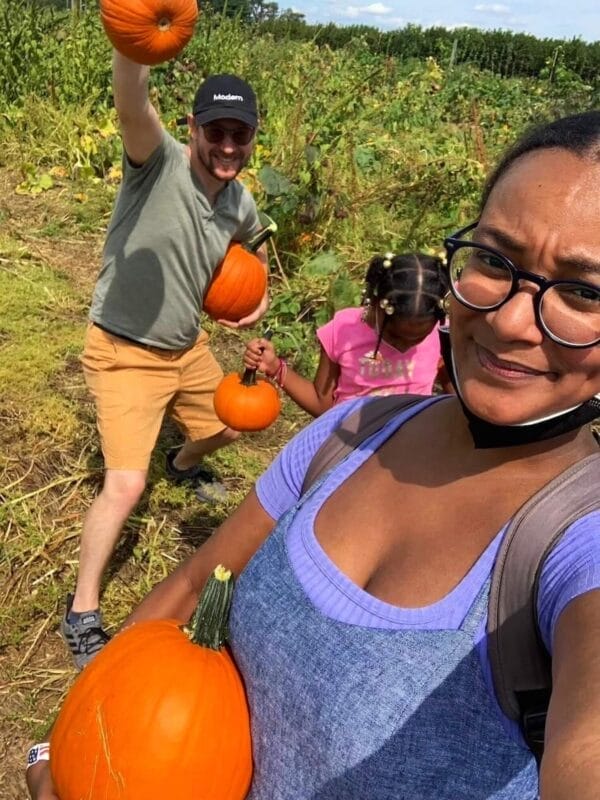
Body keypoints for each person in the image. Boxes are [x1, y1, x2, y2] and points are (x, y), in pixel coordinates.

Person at [28, 110, 600, 799]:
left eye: (582, 291)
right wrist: (80, 743)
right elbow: (187, 589)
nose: (510, 319)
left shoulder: (577, 545)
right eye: (493, 259)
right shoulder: (351, 432)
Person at [59, 50, 269, 670]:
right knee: (125, 484)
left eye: (240, 134)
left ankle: (183, 460)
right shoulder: (158, 162)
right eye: (215, 131)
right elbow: (131, 101)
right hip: (125, 351)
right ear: (193, 127)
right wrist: (133, 47)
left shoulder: (241, 204)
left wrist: (252, 305)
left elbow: (251, 264)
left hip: (187, 349)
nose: (227, 145)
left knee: (236, 422)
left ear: (252, 136)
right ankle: (82, 611)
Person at [244, 253, 452, 417]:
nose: (405, 346)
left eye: (417, 339)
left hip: (407, 447)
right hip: (349, 444)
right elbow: (321, 402)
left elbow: (455, 394)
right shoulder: (344, 330)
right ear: (378, 304)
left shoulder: (442, 333)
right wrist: (275, 368)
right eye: (396, 337)